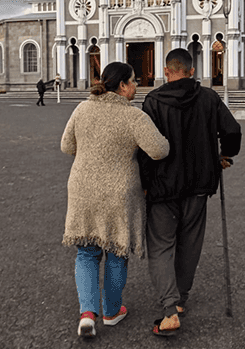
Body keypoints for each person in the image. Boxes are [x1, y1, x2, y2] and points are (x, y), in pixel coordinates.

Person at [61, 62, 170, 339]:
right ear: (122, 86)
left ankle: (87, 314)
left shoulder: (82, 108)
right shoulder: (133, 116)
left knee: (86, 252)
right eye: (134, 80)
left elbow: (66, 146)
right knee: (116, 251)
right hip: (118, 193)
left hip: (83, 189)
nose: (136, 86)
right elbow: (159, 150)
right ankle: (111, 311)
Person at [138, 48, 242, 336]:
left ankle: (169, 308)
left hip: (162, 187)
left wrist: (144, 183)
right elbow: (232, 131)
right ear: (192, 71)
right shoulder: (209, 98)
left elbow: (145, 149)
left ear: (166, 71)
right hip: (198, 185)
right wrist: (225, 154)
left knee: (161, 245)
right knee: (190, 243)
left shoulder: (153, 101)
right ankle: (180, 299)